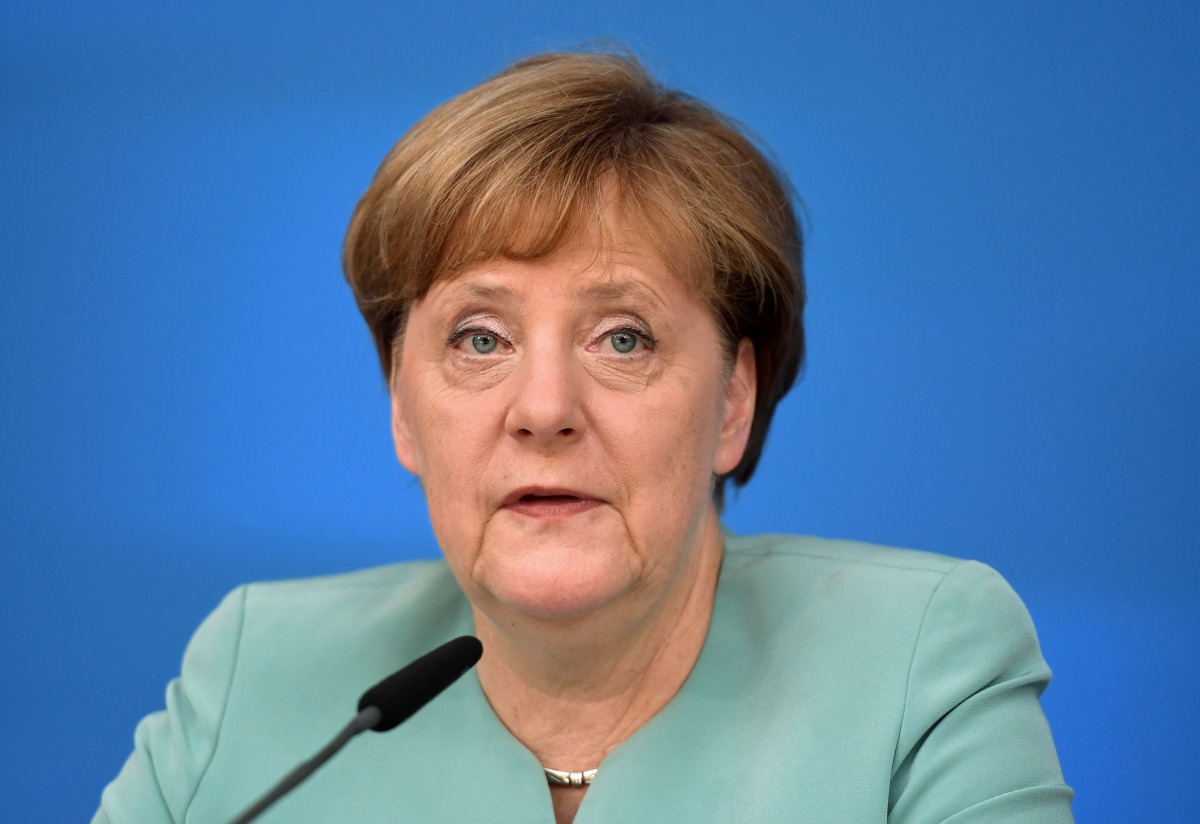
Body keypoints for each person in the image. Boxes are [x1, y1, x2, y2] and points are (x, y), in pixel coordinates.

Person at [93, 50, 1074, 823]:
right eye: (481, 338)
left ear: (733, 401)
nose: (544, 406)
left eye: (623, 337)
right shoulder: (257, 669)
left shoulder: (919, 665)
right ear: (402, 406)